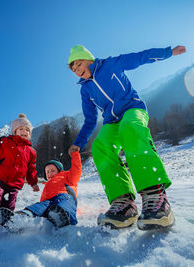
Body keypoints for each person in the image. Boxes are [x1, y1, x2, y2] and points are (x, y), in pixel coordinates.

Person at [67, 44, 186, 230]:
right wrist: (78, 143)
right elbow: (90, 120)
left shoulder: (111, 64)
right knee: (100, 146)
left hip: (132, 109)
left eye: (79, 64)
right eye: (73, 69)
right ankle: (123, 204)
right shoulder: (85, 90)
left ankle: (156, 196)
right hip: (111, 122)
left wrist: (168, 52)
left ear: (89, 59)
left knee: (130, 128)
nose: (77, 71)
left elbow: (140, 57)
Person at [0, 150, 82, 229]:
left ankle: (63, 216)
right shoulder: (47, 185)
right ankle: (19, 218)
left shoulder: (67, 177)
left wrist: (75, 154)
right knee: (39, 206)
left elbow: (77, 169)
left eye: (52, 170)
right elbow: (43, 201)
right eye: (47, 172)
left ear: (60, 171)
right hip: (49, 203)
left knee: (65, 203)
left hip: (64, 196)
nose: (49, 173)